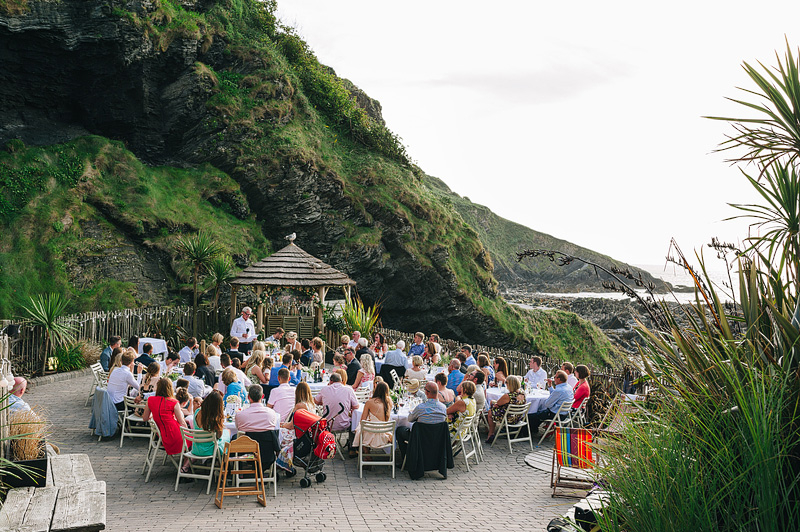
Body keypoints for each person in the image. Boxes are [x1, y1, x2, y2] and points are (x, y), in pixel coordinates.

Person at [395, 382, 447, 461]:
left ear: (427, 392)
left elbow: (409, 419)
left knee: (399, 430)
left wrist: (412, 412)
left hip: (420, 438)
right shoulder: (443, 408)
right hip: (437, 438)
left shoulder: (420, 408)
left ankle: (406, 459)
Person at [276, 382, 316, 473]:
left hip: (298, 435)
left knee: (277, 434)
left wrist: (281, 425)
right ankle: (282, 461)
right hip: (306, 434)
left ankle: (280, 462)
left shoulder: (299, 406)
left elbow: (291, 425)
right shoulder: (311, 405)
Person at [143, 378, 187, 456]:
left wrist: (154, 414)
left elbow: (145, 418)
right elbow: (182, 422)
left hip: (161, 434)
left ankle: (185, 461)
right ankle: (186, 462)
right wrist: (188, 432)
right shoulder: (173, 402)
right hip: (173, 433)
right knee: (192, 440)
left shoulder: (150, 400)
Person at [352, 381, 393, 458]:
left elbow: (362, 420)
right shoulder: (389, 401)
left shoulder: (369, 402)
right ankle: (367, 455)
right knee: (363, 430)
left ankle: (367, 454)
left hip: (372, 437)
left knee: (359, 429)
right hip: (384, 435)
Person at [191, 391, 230, 466]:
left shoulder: (197, 411)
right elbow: (219, 436)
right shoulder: (214, 418)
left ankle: (217, 462)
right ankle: (223, 464)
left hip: (196, 448)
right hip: (209, 450)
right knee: (228, 433)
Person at [485, 375, 527, 444]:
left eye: (506, 382)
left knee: (490, 411)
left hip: (509, 418)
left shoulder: (508, 396)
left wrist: (494, 404)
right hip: (518, 417)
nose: (505, 384)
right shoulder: (522, 393)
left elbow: (498, 404)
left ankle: (491, 433)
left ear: (510, 384)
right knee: (493, 404)